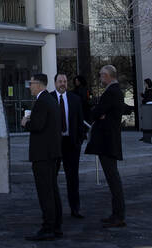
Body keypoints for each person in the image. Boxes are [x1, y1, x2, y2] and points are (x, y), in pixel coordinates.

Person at [22, 72, 62, 241]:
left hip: (43, 155)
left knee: (46, 192)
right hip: (52, 154)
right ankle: (55, 226)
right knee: (52, 191)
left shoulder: (42, 101)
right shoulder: (51, 100)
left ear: (38, 84)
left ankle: (48, 227)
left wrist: (26, 122)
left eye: (31, 83)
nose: (29, 86)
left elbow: (37, 125)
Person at [85, 64, 127, 228]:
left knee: (113, 179)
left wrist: (99, 113)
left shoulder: (112, 92)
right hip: (109, 141)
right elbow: (98, 113)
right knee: (112, 178)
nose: (100, 78)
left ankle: (118, 215)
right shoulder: (114, 92)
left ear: (109, 76)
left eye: (102, 75)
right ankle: (116, 214)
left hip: (107, 142)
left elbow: (96, 112)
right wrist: (99, 113)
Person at [53, 72, 87, 219]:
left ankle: (75, 208)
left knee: (72, 177)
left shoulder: (75, 99)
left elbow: (80, 121)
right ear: (55, 83)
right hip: (55, 143)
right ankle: (53, 209)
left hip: (71, 143)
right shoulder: (49, 99)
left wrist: (79, 140)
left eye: (65, 81)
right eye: (60, 81)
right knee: (51, 177)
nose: (63, 84)